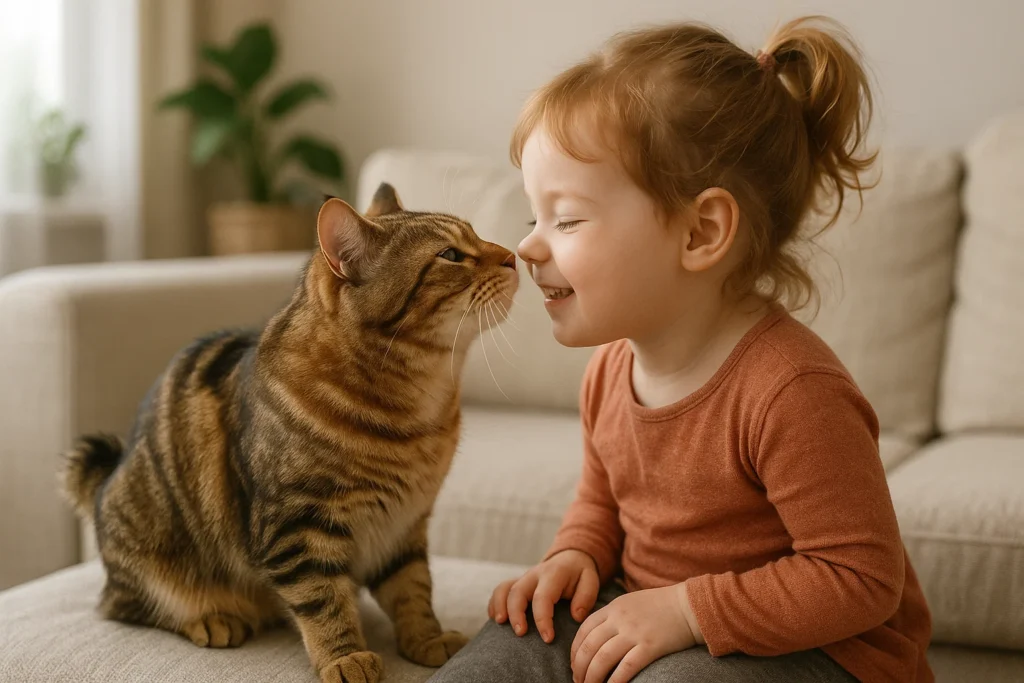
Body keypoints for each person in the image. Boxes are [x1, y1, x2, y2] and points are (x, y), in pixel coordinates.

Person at [430, 15, 933, 683]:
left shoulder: (792, 389)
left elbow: (861, 577)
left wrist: (688, 610)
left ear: (700, 232)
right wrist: (575, 555)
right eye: (534, 217)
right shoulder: (609, 371)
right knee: (509, 641)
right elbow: (602, 505)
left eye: (567, 218)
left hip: (819, 649)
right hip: (652, 606)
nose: (525, 246)